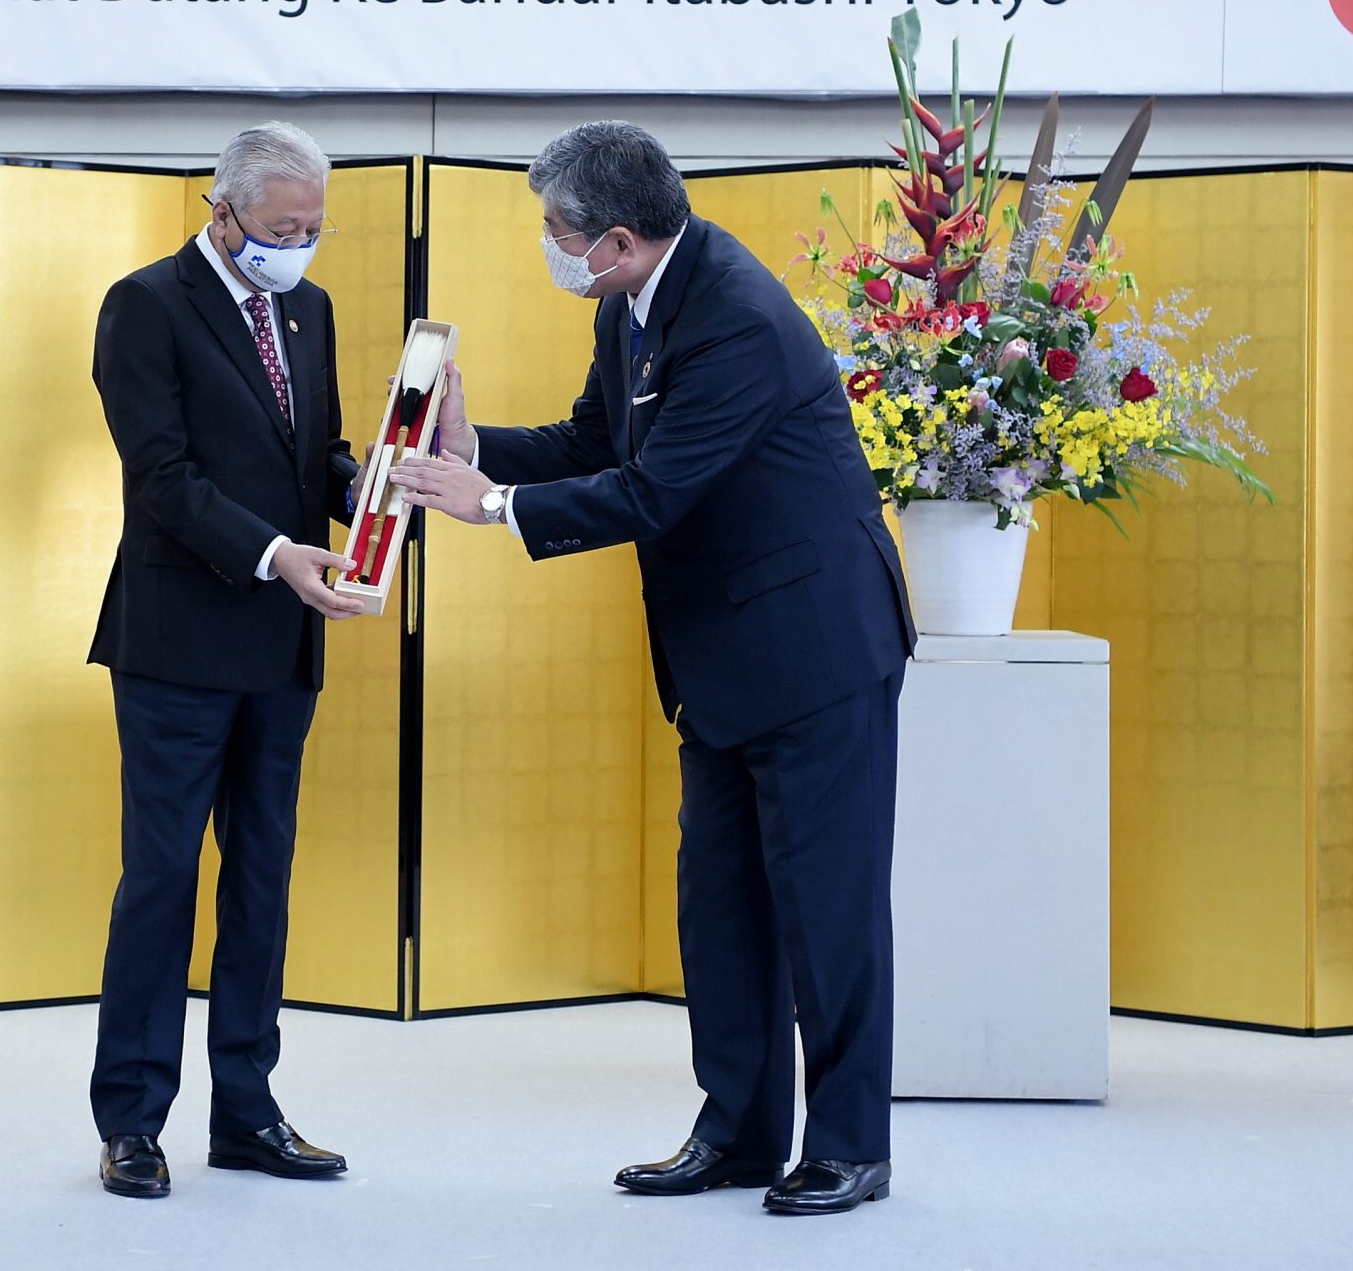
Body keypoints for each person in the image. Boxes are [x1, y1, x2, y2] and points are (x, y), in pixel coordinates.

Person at [390, 120, 916, 1218]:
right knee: (719, 906)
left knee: (827, 911)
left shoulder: (736, 316)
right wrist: (471, 451)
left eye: (558, 232)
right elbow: (596, 444)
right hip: (719, 657)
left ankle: (849, 1147)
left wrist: (491, 508)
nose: (551, 248)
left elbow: (654, 492)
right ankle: (738, 1134)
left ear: (619, 239)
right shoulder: (628, 302)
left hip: (815, 648)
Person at [85, 121, 365, 1200]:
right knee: (161, 881)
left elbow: (312, 452)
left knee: (260, 879)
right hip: (177, 643)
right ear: (224, 209)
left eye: (312, 228)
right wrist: (275, 553)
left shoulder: (311, 307)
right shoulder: (145, 305)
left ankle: (247, 1111)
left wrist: (374, 484)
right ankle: (131, 1121)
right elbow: (162, 476)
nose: (298, 246)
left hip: (281, 646)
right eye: (282, 229)